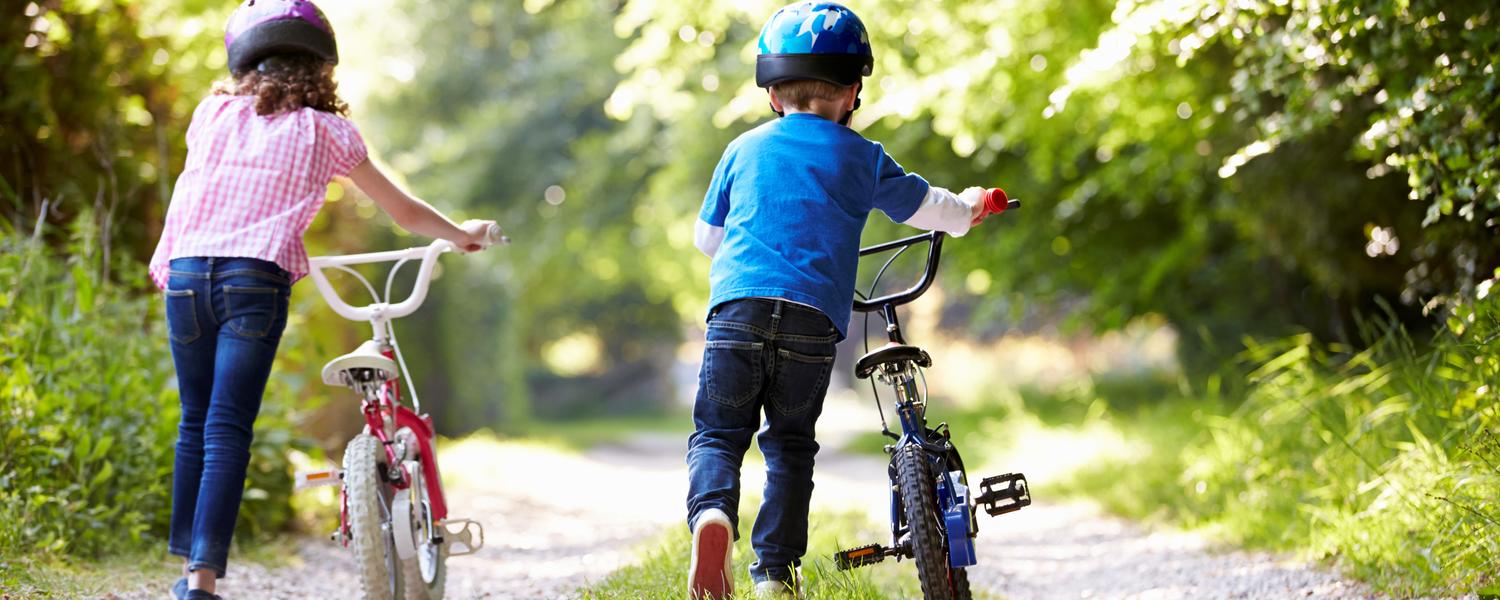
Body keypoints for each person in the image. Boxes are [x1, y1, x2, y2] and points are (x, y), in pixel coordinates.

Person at [147, 2, 493, 598]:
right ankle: (201, 582)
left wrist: (167, 263)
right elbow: (404, 211)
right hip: (251, 279)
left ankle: (187, 576)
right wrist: (461, 234)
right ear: (321, 66)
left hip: (185, 274)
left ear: (246, 62)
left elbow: (189, 193)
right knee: (228, 428)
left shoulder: (211, 113)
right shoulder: (328, 131)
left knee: (194, 425)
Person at [684, 2, 1000, 598]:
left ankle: (713, 516)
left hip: (736, 312)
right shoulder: (863, 156)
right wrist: (973, 205)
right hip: (812, 321)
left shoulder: (743, 149)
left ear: (773, 94)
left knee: (719, 435)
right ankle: (774, 573)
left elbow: (707, 239)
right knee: (791, 446)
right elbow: (933, 208)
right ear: (853, 92)